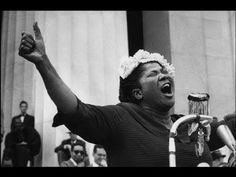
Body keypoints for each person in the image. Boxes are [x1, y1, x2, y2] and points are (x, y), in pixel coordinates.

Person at [18, 22, 236, 167]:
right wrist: (43, 63)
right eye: (153, 74)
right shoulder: (121, 118)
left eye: (164, 72)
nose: (163, 75)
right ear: (137, 92)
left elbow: (228, 125)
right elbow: (76, 110)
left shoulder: (189, 126)